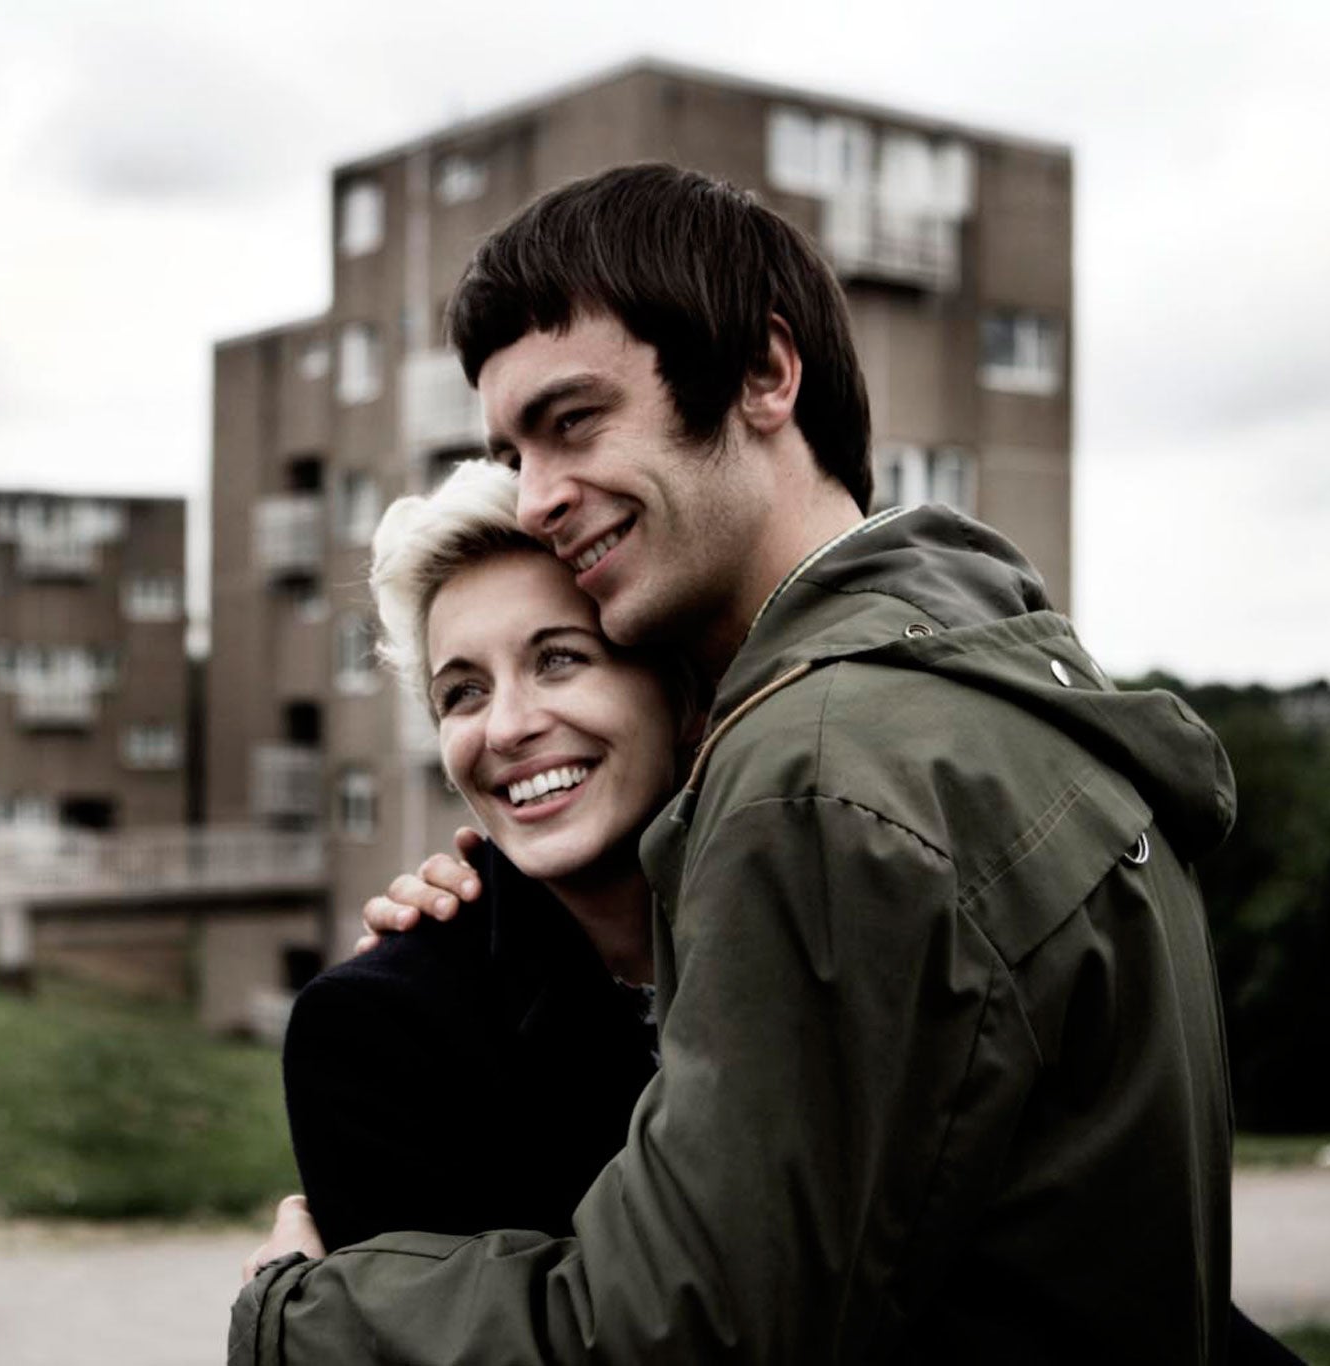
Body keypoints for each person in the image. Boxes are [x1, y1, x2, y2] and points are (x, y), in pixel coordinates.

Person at [233, 163, 1242, 1363]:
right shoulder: (1006, 692)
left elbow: (678, 1339)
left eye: (572, 421)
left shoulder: (816, 775)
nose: (539, 493)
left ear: (764, 374)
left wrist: (299, 1319)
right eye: (511, 448)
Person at [271, 458, 687, 1254]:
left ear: (680, 690)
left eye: (558, 657)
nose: (505, 728)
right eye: (463, 692)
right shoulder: (377, 1032)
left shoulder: (803, 928)